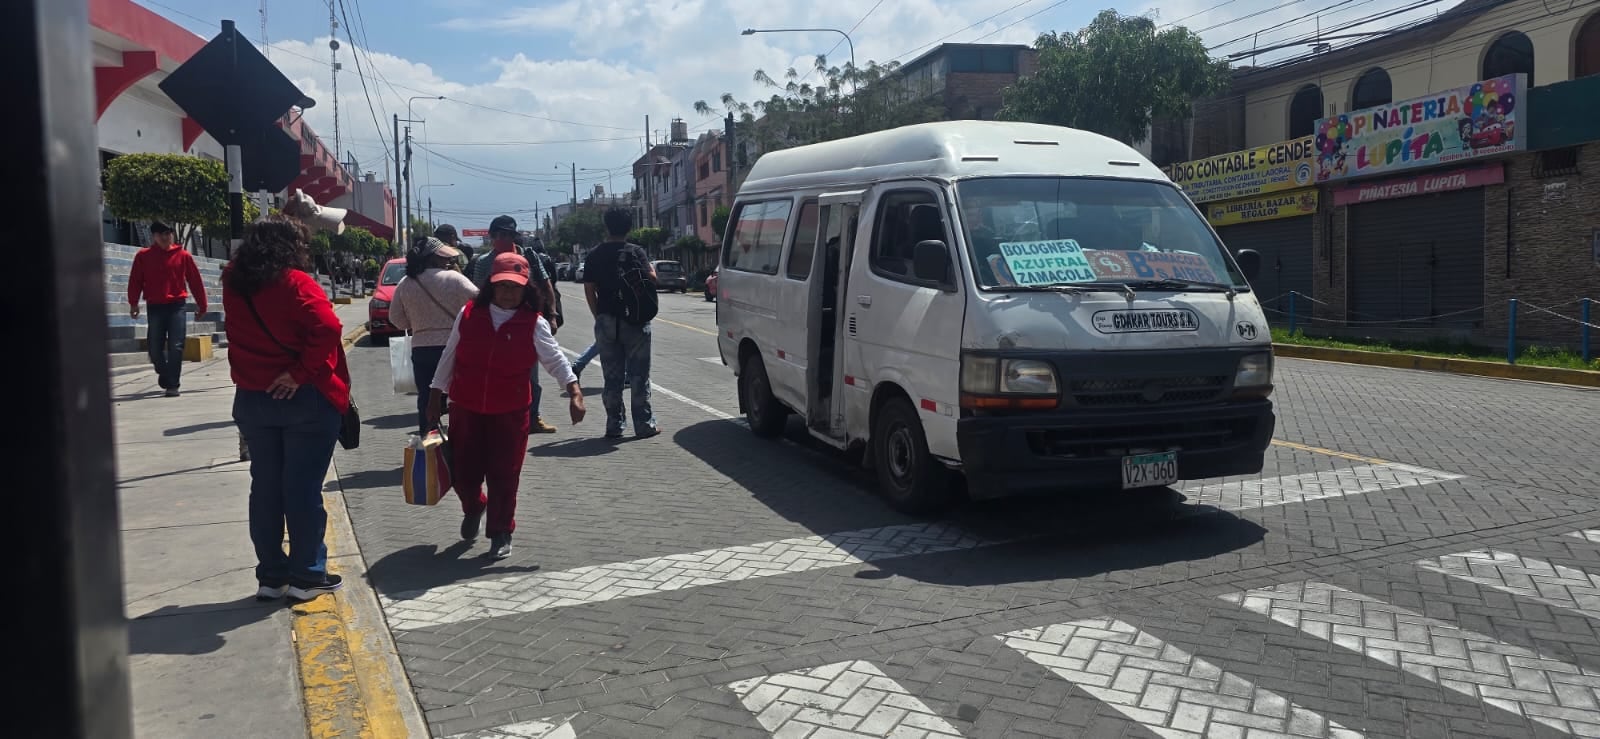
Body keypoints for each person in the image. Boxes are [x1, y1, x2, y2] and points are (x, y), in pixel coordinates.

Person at [224, 216, 350, 602]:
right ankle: (307, 576)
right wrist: (298, 373)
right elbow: (328, 327)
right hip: (303, 398)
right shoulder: (295, 282)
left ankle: (271, 577)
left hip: (254, 398)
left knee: (265, 489)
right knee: (302, 490)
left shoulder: (233, 281)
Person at [427, 252, 584, 559]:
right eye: (502, 286)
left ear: (526, 289)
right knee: (463, 472)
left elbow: (555, 360)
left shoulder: (534, 323)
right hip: (466, 407)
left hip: (510, 412)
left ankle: (501, 531)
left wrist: (574, 391)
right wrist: (435, 396)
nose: (508, 293)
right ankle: (474, 506)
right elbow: (449, 355)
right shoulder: (469, 314)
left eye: (515, 287)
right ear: (491, 286)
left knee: (505, 474)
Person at [468, 216, 561, 434]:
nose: (504, 239)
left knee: (531, 375)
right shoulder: (484, 262)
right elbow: (478, 295)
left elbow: (546, 285)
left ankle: (533, 418)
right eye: (500, 235)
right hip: (496, 325)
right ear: (492, 237)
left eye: (509, 235)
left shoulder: (528, 256)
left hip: (526, 323)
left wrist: (552, 315)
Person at [582, 207, 658, 439]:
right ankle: (644, 425)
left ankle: (614, 425)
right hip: (635, 320)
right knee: (639, 376)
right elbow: (652, 279)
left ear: (606, 227)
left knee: (612, 377)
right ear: (629, 227)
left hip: (607, 319)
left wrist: (599, 316)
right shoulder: (636, 251)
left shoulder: (594, 255)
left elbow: (589, 289)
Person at [389, 236, 477, 434]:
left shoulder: (405, 283)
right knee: (458, 396)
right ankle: (459, 438)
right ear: (433, 258)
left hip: (421, 349)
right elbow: (479, 302)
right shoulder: (454, 278)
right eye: (444, 257)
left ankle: (428, 440)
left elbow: (395, 318)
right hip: (454, 347)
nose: (448, 261)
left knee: (426, 398)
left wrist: (416, 325)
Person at [127, 221, 208, 397]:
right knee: (154, 347)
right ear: (154, 236)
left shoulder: (183, 255)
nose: (165, 237)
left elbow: (195, 281)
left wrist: (202, 305)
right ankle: (164, 372)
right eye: (160, 234)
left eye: (168, 234)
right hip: (155, 306)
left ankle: (173, 384)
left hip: (177, 306)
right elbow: (135, 280)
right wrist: (133, 303)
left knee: (176, 345)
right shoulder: (143, 256)